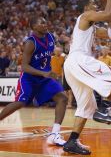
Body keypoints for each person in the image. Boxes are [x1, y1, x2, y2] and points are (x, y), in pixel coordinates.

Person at [63, 0, 111, 155]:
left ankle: (72, 141)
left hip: (73, 64)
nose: (96, 4)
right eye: (93, 3)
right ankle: (104, 109)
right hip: (79, 60)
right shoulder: (84, 16)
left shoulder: (91, 27)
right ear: (85, 7)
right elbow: (106, 13)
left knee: (85, 107)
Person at [0, 17, 68, 146]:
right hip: (29, 78)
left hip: (45, 77)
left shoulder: (50, 37)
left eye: (45, 21)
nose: (45, 23)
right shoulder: (30, 43)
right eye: (41, 22)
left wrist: (65, 45)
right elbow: (24, 66)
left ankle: (55, 133)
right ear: (34, 27)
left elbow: (57, 48)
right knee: (20, 103)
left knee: (62, 98)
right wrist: (43, 72)